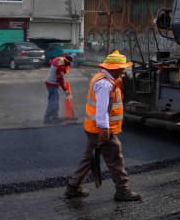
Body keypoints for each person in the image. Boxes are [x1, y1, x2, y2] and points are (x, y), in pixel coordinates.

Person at [65, 50, 142, 202]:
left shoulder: (106, 79)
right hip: (102, 129)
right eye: (122, 69)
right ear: (114, 69)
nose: (123, 71)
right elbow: (101, 109)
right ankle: (123, 190)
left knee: (89, 158)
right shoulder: (105, 84)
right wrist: (105, 129)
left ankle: (73, 187)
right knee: (115, 158)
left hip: (94, 128)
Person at [44, 54, 73, 120]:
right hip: (52, 84)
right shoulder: (61, 66)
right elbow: (60, 79)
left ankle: (54, 116)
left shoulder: (59, 59)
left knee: (54, 100)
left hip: (49, 83)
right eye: (69, 63)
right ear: (67, 61)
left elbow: (51, 62)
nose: (69, 65)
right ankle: (47, 118)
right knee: (53, 101)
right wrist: (65, 90)